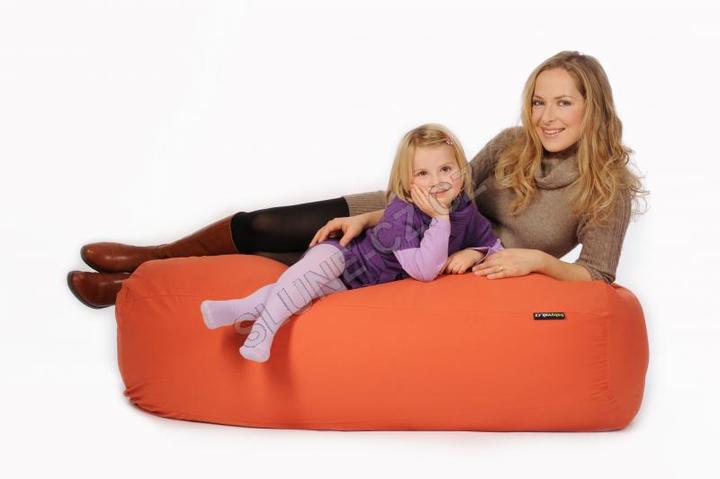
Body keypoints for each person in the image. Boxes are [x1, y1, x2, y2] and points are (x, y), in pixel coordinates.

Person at [67, 50, 646, 309]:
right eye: (539, 101)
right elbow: (451, 188)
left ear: (591, 106)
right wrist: (372, 215)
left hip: (438, 256)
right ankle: (150, 256)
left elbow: (598, 275)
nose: (547, 116)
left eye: (563, 103)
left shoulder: (609, 186)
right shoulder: (512, 142)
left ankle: (134, 290)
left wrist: (538, 262)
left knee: (289, 262)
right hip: (407, 211)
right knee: (264, 225)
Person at [200, 124, 503, 363]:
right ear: (406, 182)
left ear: (461, 172)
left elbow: (493, 244)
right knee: (306, 277)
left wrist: (473, 252)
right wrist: (440, 219)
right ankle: (262, 334)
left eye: (446, 169)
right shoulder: (402, 212)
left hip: (354, 283)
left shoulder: (464, 209)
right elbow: (424, 270)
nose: (437, 181)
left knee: (303, 295)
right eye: (423, 173)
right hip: (345, 253)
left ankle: (236, 309)